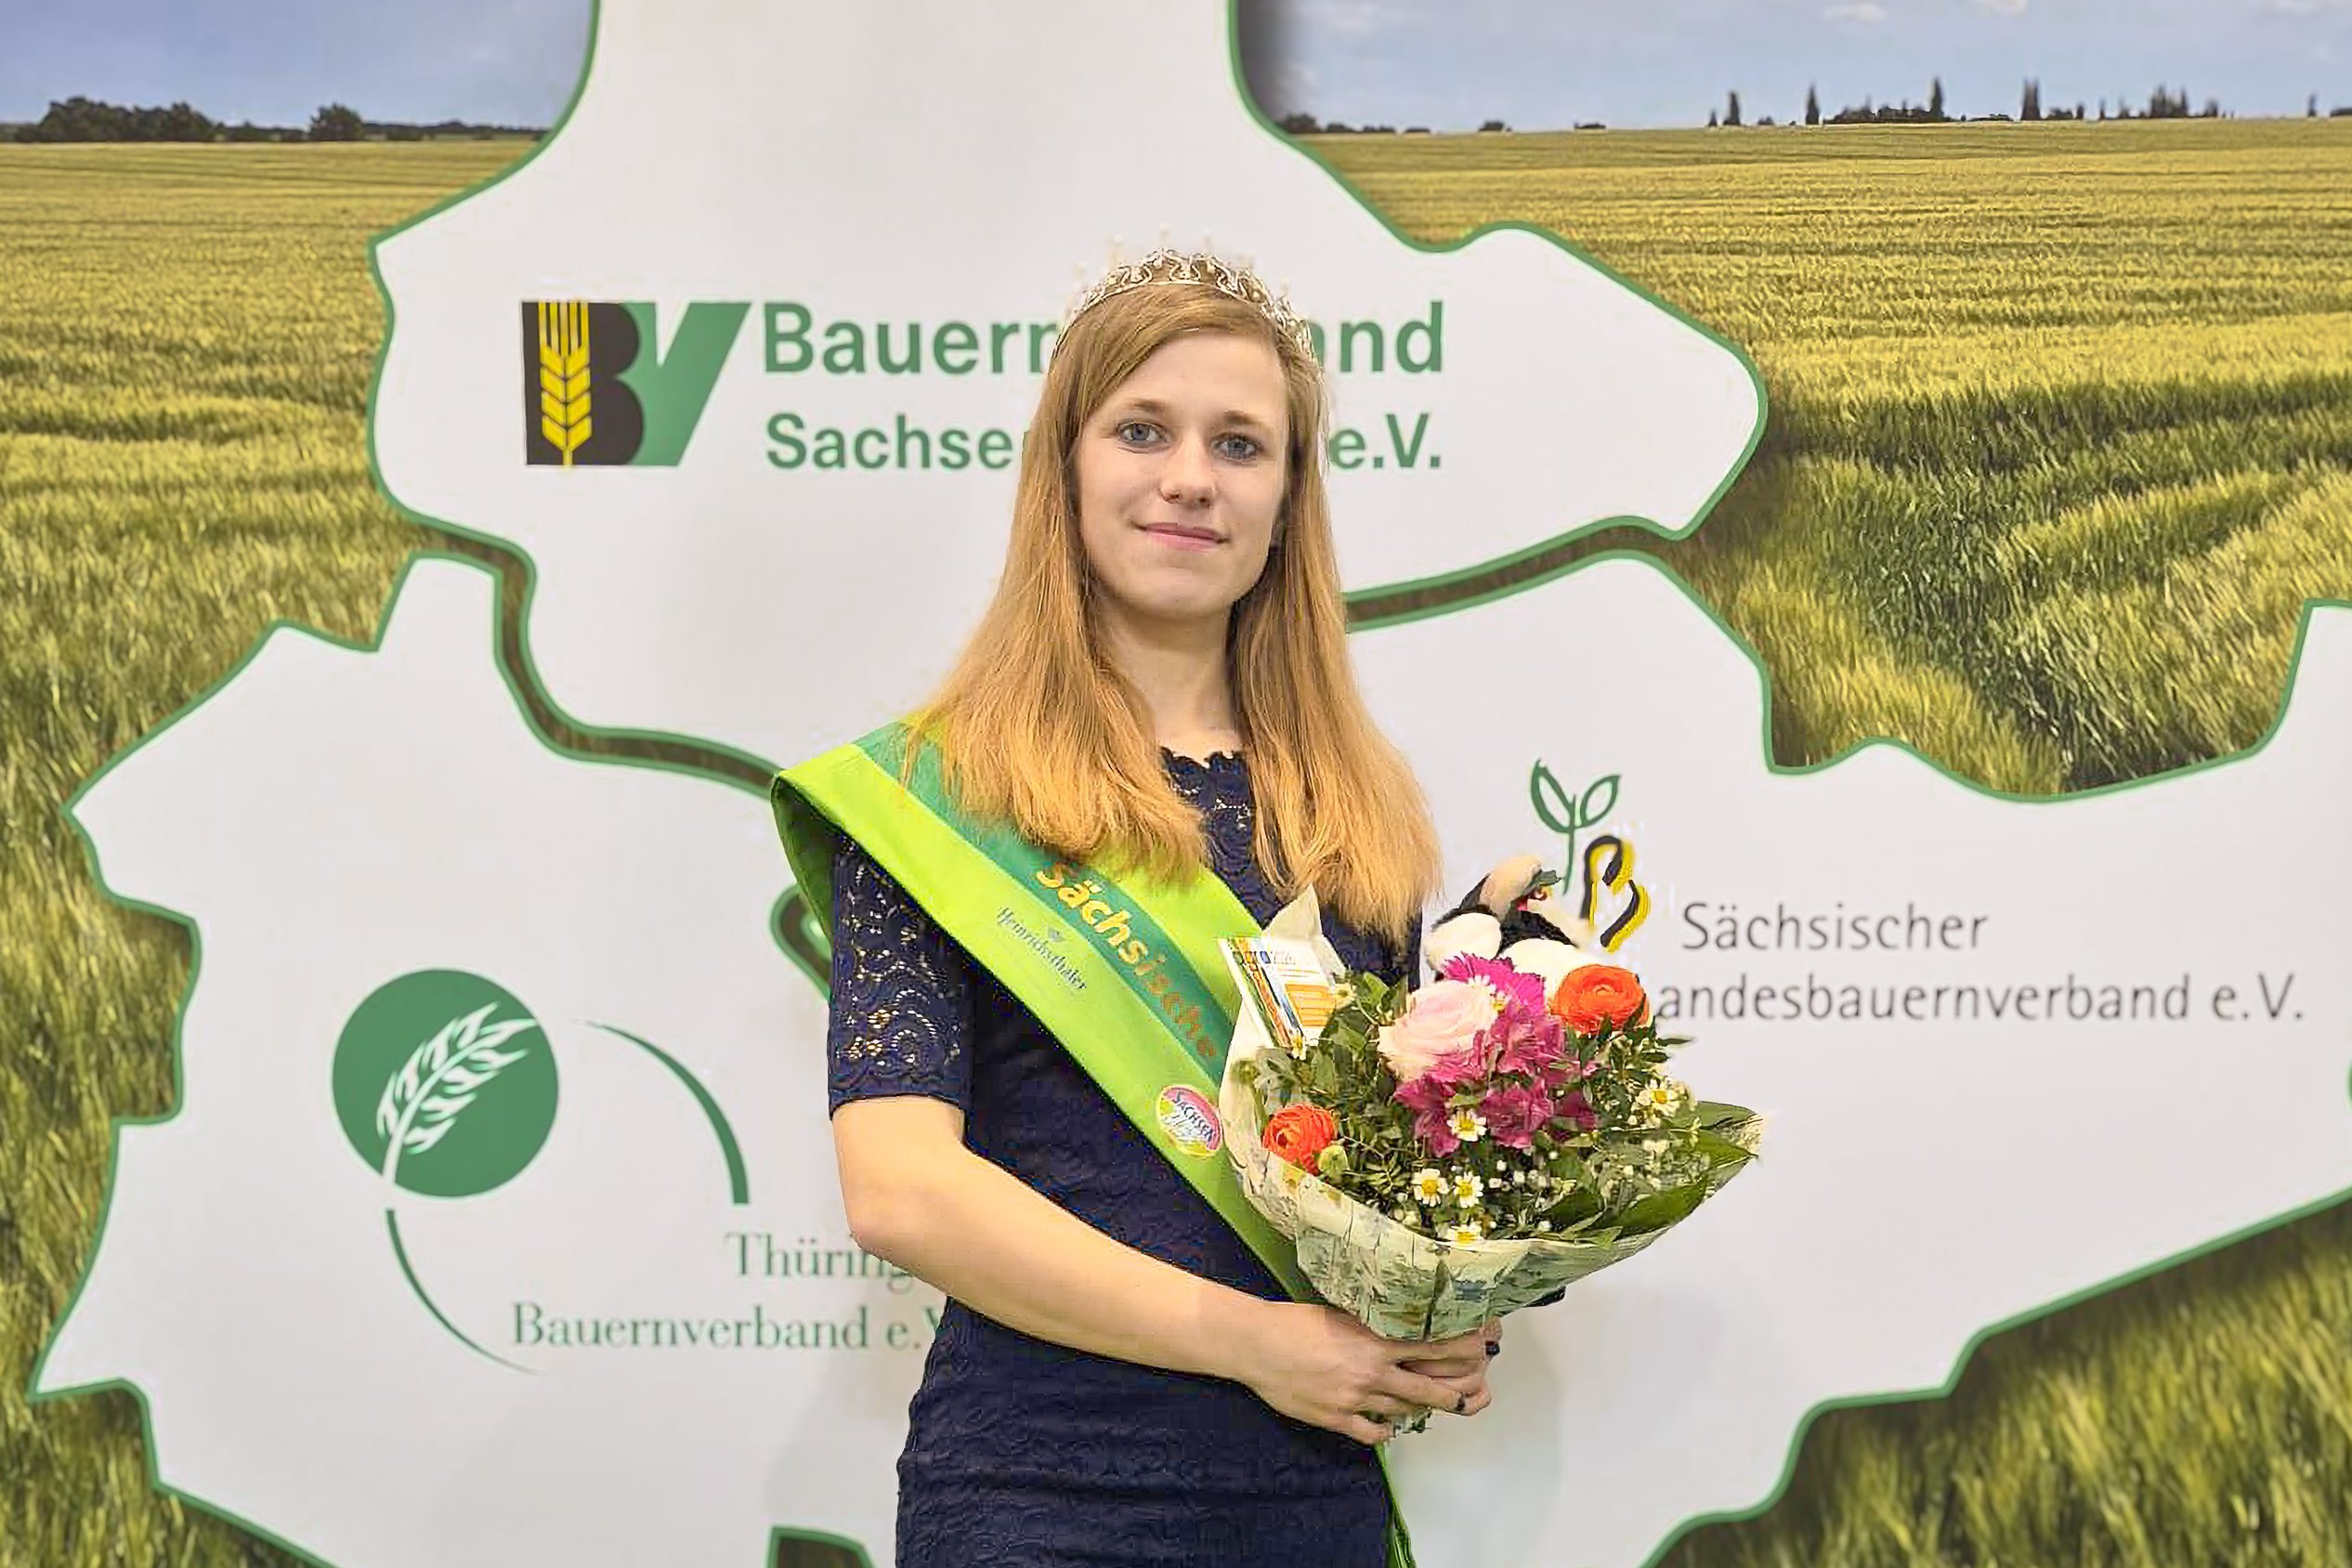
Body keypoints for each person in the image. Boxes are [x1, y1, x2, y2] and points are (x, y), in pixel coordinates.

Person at [770, 250, 1497, 1568]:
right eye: (1143, 430)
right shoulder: (938, 796)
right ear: (1064, 470)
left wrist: (1441, 1301)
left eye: (1240, 444)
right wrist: (1257, 1343)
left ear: (1287, 500)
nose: (1191, 478)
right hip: (1038, 1497)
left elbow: (1369, 1188)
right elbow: (902, 1193)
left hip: (1310, 1502)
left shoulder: (1353, 813)